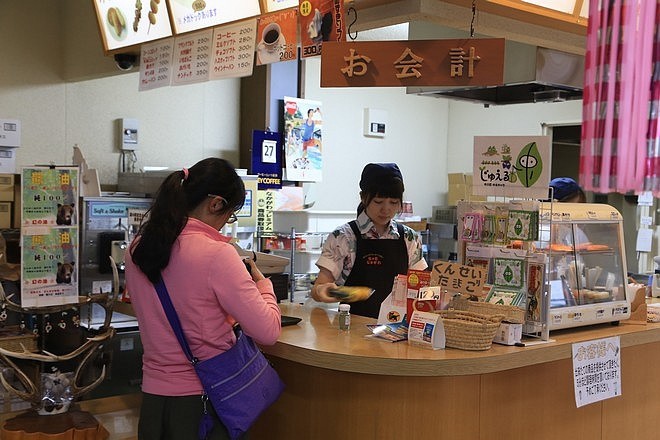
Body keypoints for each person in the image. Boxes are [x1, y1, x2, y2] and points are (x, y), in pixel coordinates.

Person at [125, 158, 281, 440]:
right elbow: (268, 331)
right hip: (202, 404)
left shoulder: (138, 247)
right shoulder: (218, 254)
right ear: (216, 204)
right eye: (230, 215)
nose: (225, 225)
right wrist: (263, 285)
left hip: (153, 402)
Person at [310, 163, 427, 318]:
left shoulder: (409, 237)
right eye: (378, 201)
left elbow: (420, 284)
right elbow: (319, 287)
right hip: (352, 328)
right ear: (363, 197)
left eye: (393, 202)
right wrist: (322, 291)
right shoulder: (343, 237)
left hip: (396, 327)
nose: (386, 209)